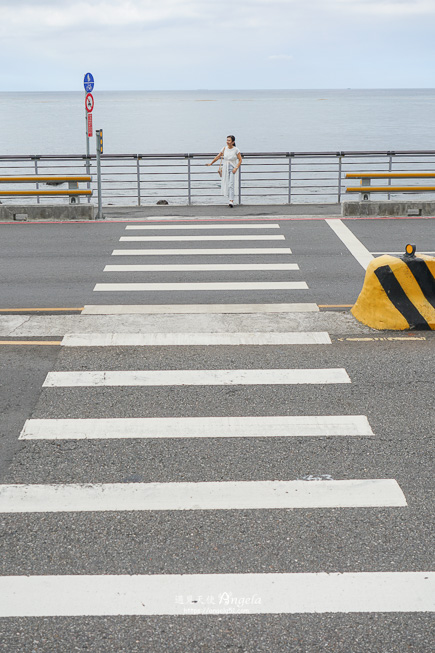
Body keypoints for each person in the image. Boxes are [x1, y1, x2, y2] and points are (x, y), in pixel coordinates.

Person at [206, 135, 242, 208]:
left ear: (233, 142)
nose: (227, 142)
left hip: (232, 167)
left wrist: (236, 168)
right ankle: (229, 197)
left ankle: (231, 201)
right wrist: (211, 163)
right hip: (225, 167)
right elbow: (218, 156)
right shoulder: (224, 148)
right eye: (227, 140)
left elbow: (240, 160)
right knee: (226, 183)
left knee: (231, 184)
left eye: (229, 140)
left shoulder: (236, 150)